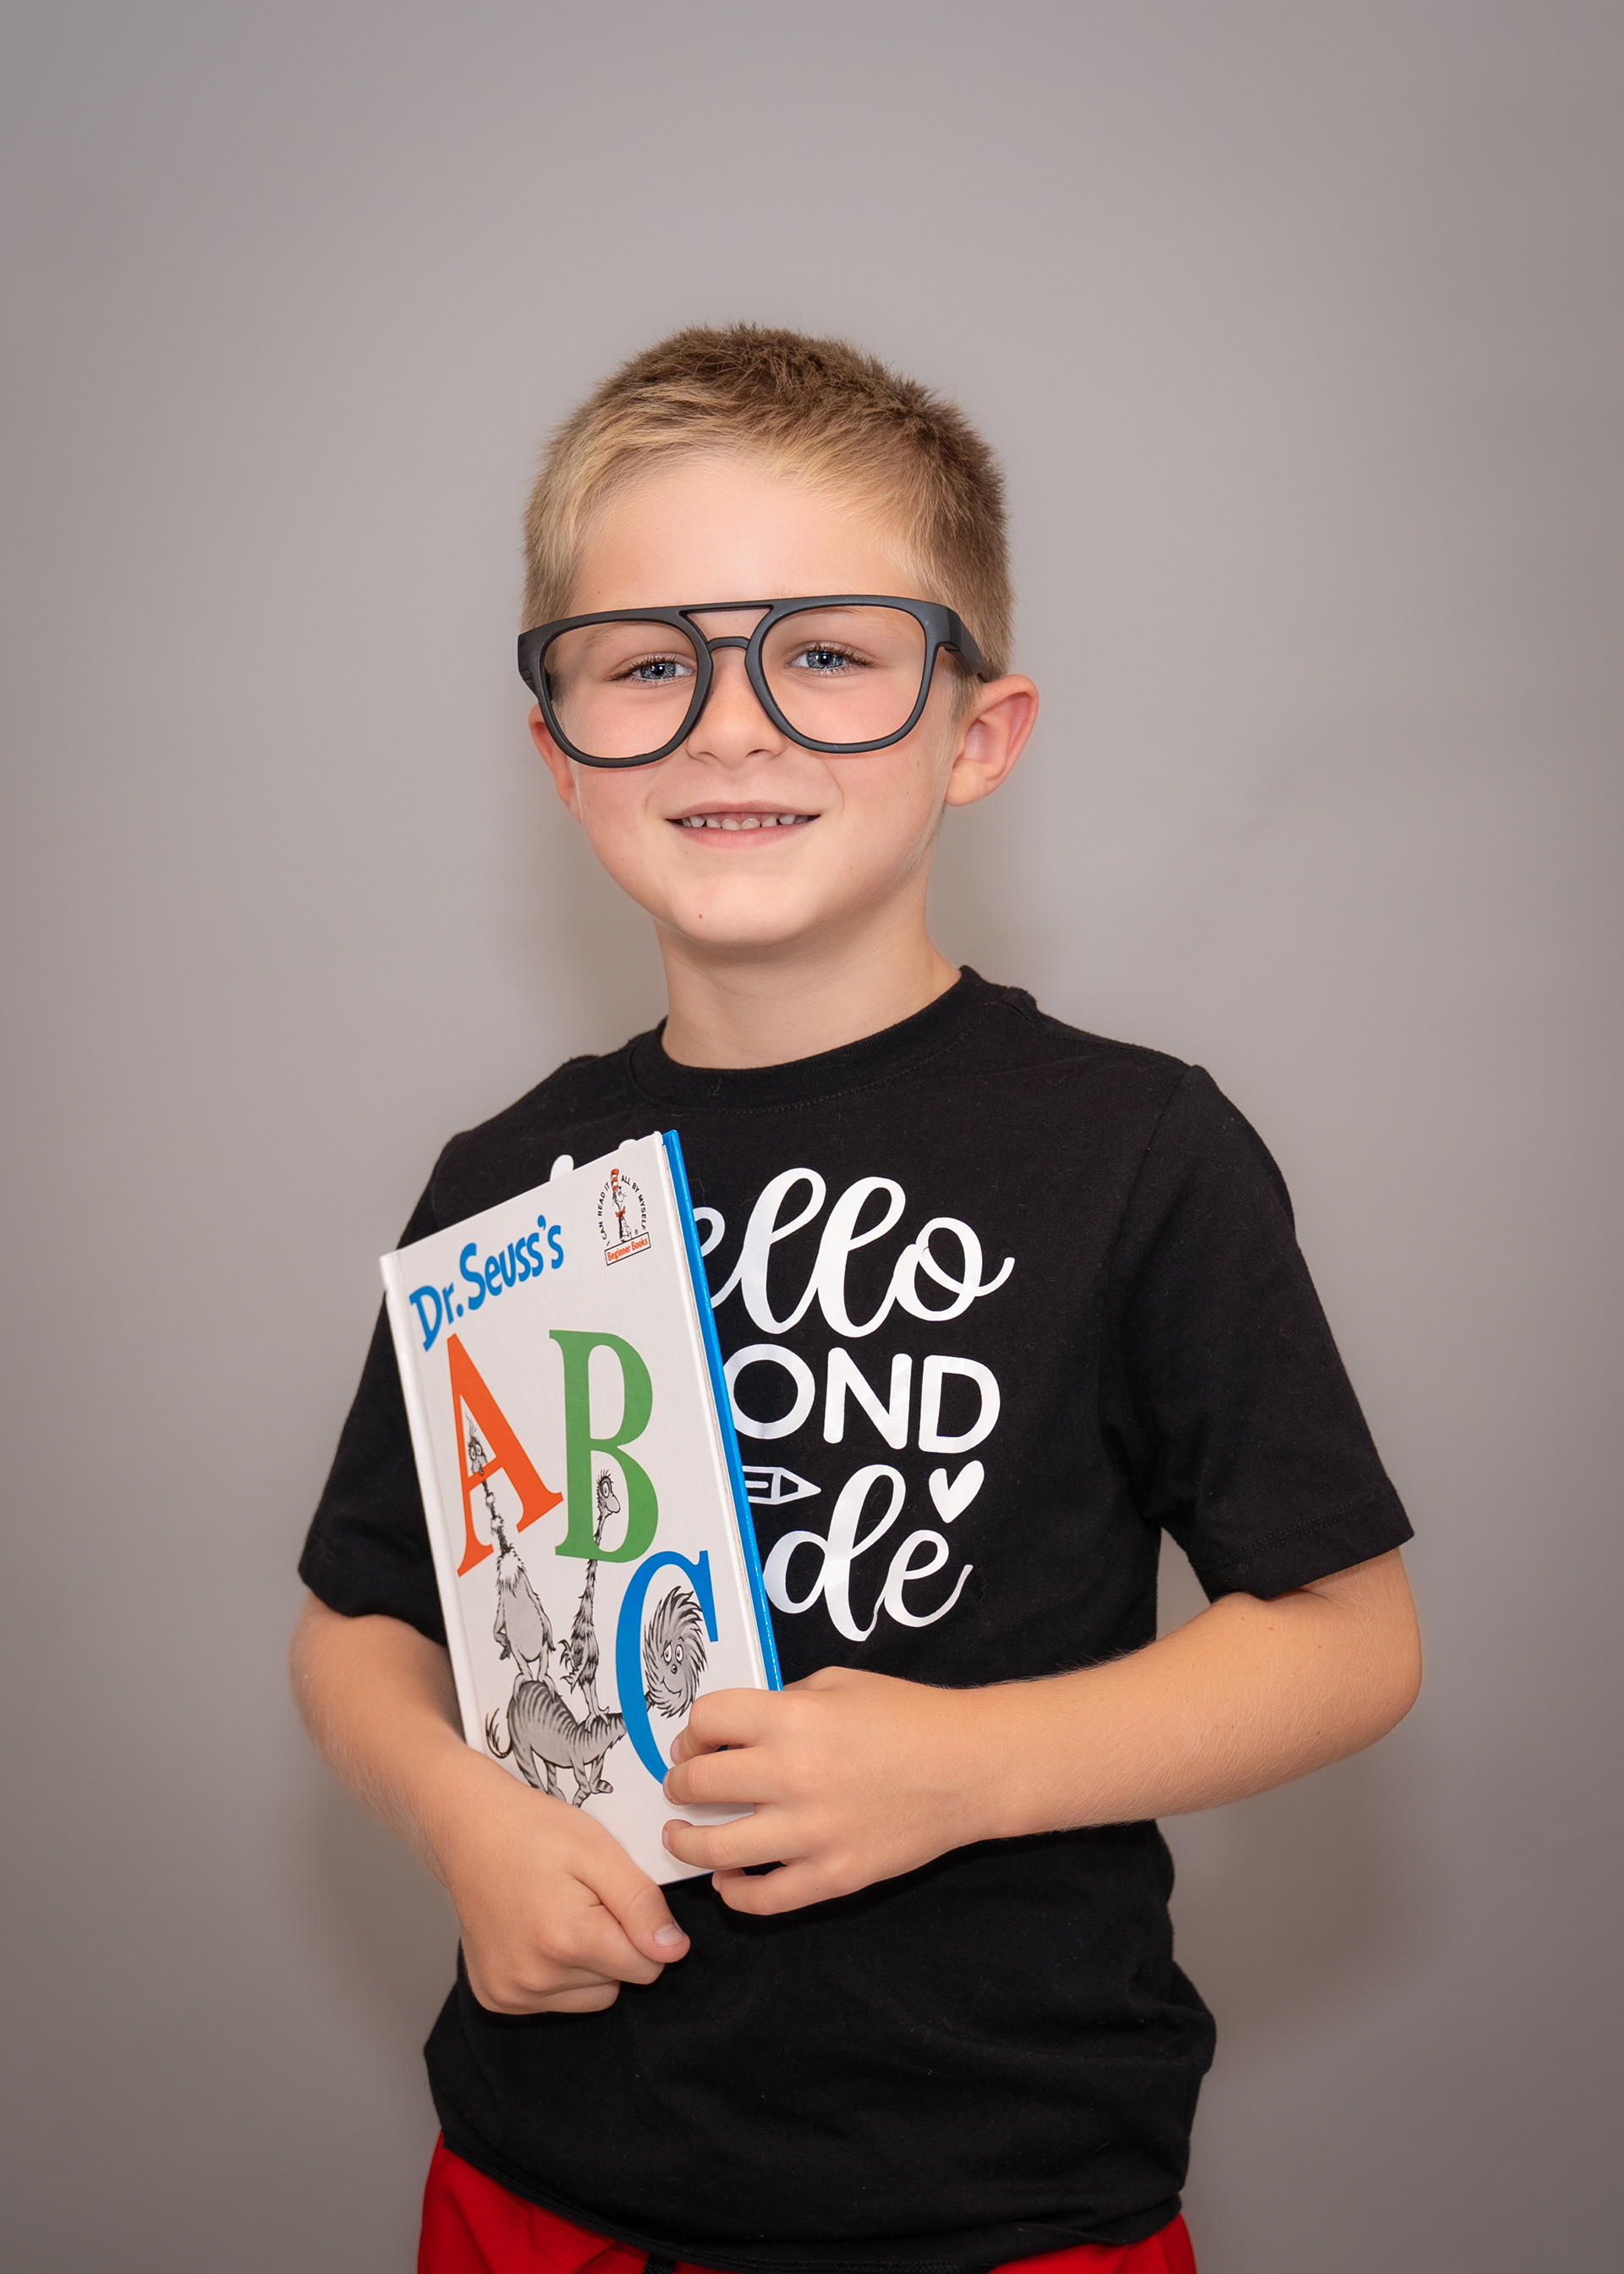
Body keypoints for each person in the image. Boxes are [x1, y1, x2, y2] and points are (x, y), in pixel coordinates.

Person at [293, 326, 1421, 2274]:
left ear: (978, 732)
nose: (730, 727)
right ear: (559, 751)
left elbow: (1348, 1640)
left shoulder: (1137, 1149)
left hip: (1003, 2204)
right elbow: (357, 1624)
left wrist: (970, 1769)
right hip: (542, 2184)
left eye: (824, 655)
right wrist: (460, 1821)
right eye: (646, 664)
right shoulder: (504, 1182)